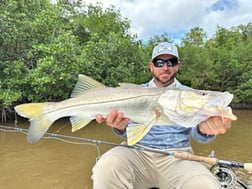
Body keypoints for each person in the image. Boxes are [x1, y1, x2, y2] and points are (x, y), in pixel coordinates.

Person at [92, 42, 232, 189]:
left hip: (178, 158)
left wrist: (206, 130)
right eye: (160, 62)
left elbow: (199, 136)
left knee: (205, 185)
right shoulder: (134, 92)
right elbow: (129, 134)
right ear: (151, 66)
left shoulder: (190, 94)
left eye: (170, 62)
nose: (165, 67)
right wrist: (120, 128)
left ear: (177, 65)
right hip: (136, 153)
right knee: (107, 166)